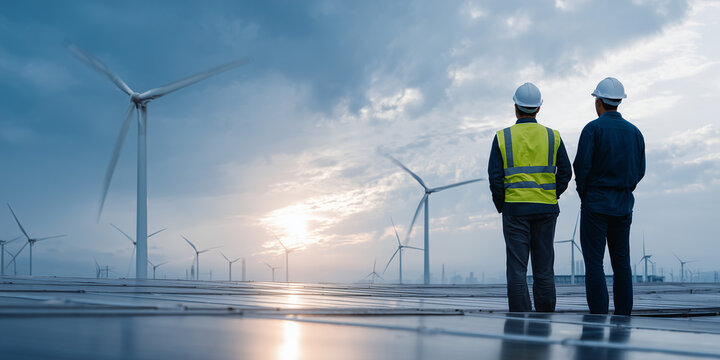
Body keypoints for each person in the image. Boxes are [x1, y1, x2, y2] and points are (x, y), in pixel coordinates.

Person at [488, 82, 572, 312]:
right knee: (544, 268)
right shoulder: (552, 136)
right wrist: (551, 194)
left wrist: (502, 204)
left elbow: (495, 178)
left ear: (516, 107)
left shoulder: (503, 137)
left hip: (515, 209)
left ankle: (518, 319)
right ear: (538, 108)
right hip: (546, 209)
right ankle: (545, 320)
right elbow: (565, 172)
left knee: (517, 269)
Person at [574, 77, 645, 316]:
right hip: (623, 205)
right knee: (622, 263)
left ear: (599, 102)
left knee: (594, 263)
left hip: (596, 203)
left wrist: (586, 194)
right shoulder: (635, 133)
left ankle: (598, 313)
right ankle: (624, 313)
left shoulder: (592, 129)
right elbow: (639, 170)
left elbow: (581, 167)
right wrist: (625, 189)